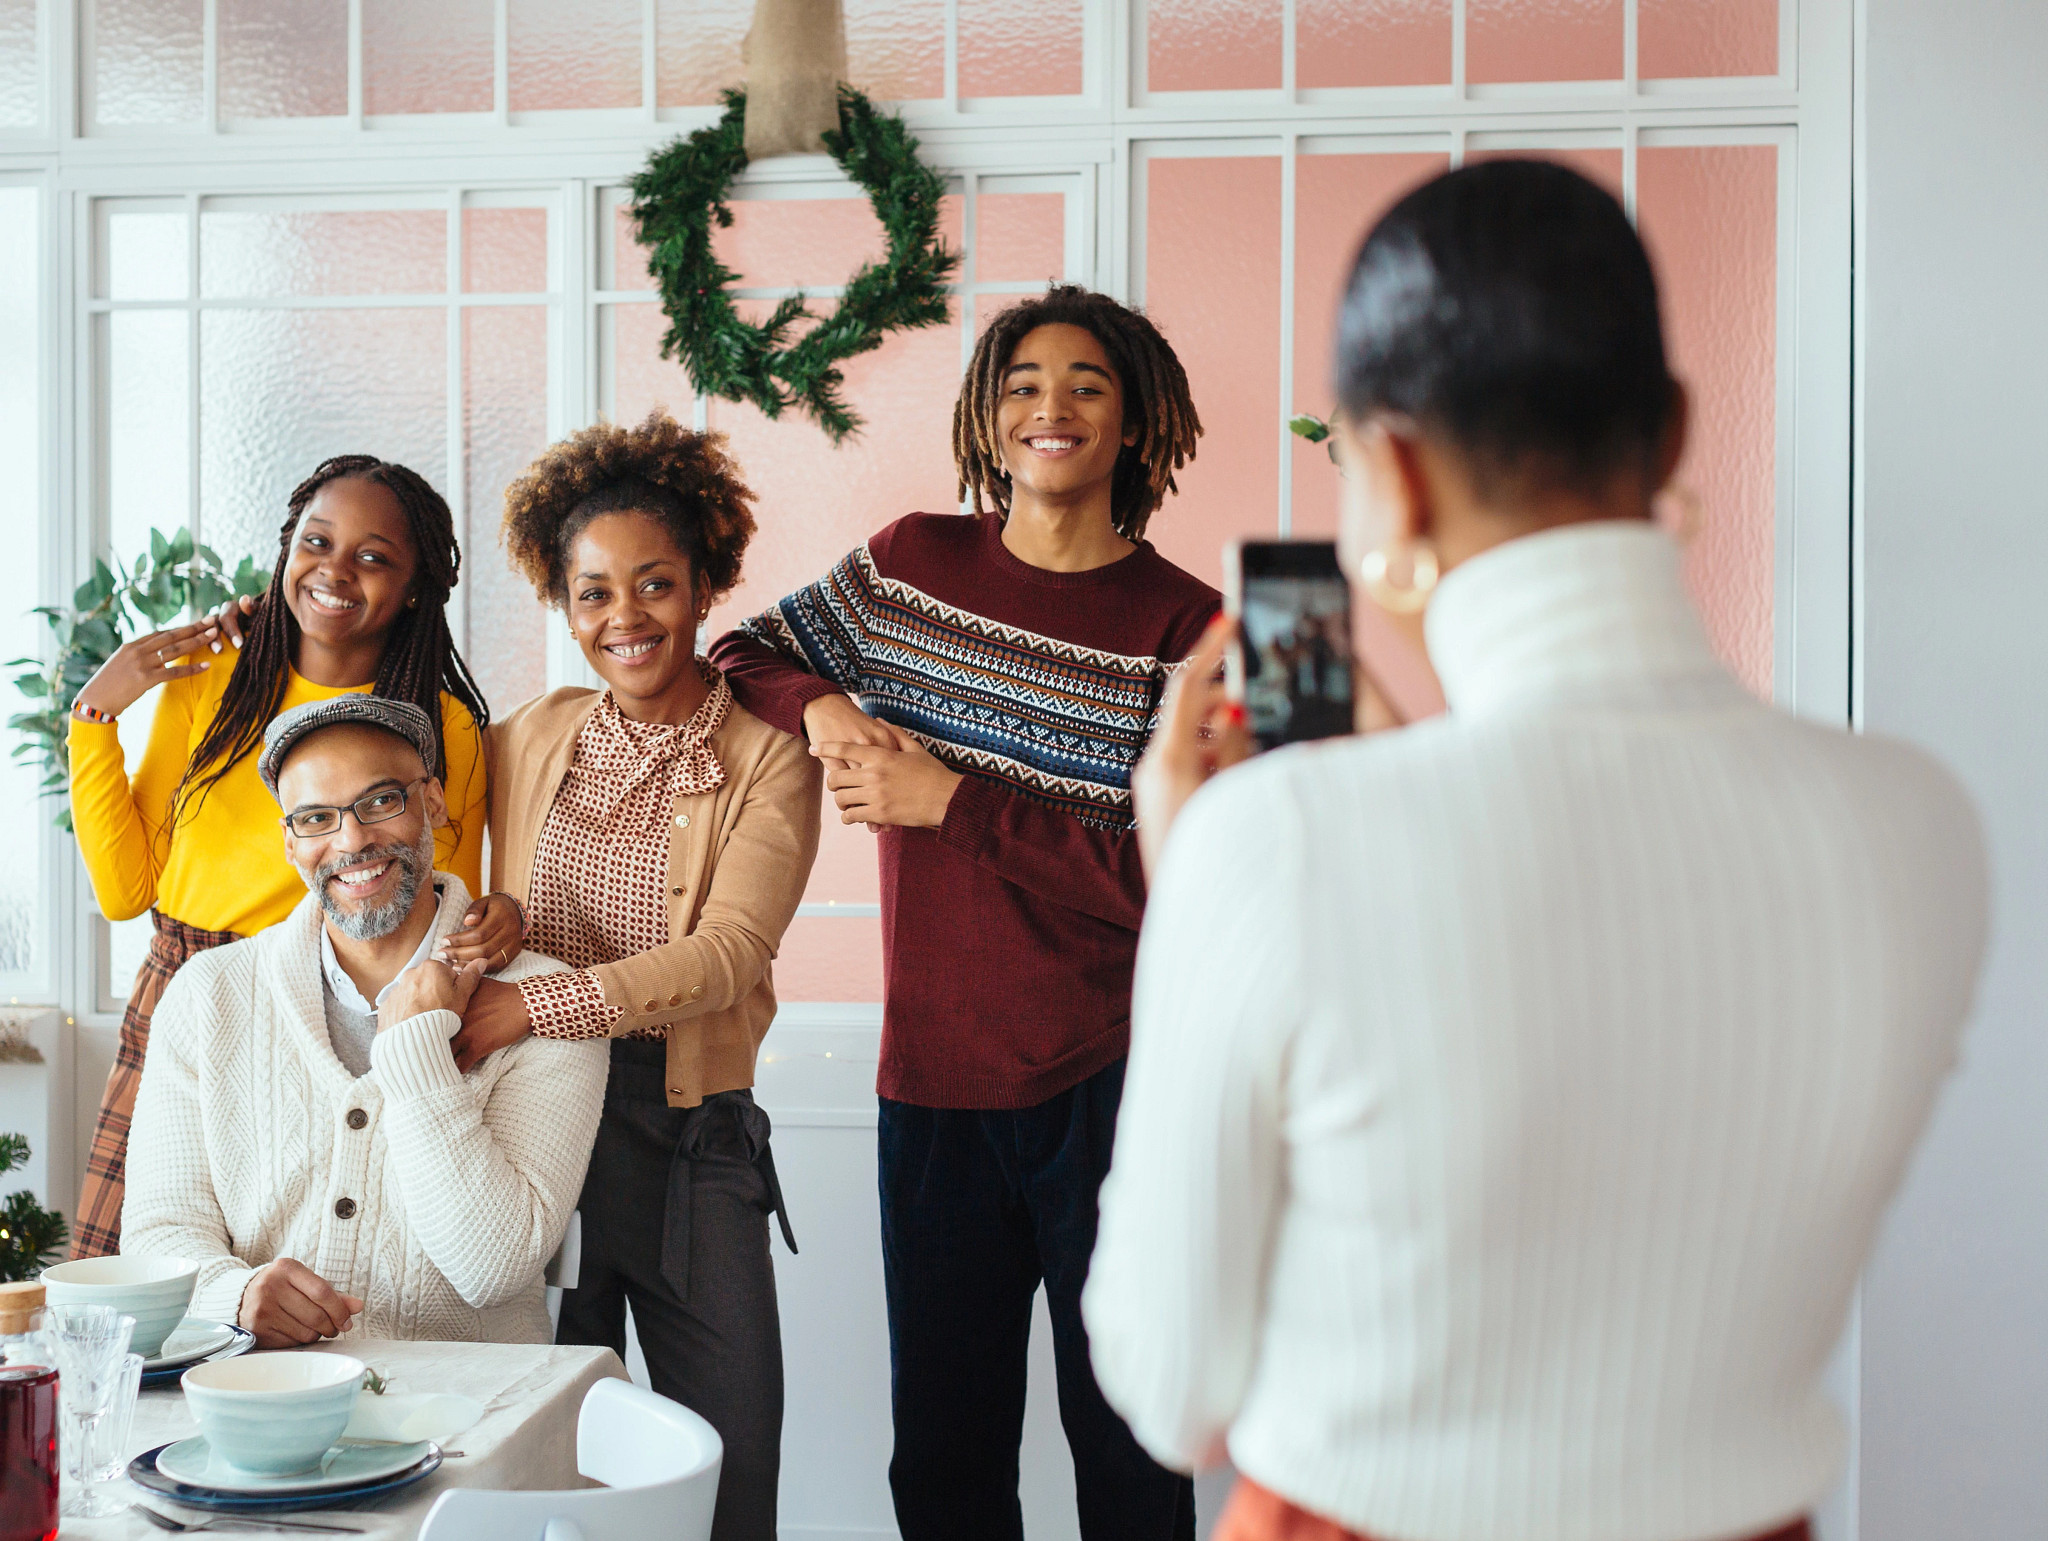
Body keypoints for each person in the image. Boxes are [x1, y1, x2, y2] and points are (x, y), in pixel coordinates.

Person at [1082, 160, 1991, 1541]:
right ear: (1674, 433)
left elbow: (1171, 1392)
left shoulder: (1276, 848)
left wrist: (1204, 891)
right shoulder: (1921, 825)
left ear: (1387, 469)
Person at [708, 286, 1216, 1541]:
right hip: (929, 1082)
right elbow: (740, 653)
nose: (1052, 406)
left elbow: (1177, 880)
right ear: (988, 421)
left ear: (1137, 427)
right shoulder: (910, 570)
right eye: (1024, 382)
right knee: (942, 1461)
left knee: (1131, 1452)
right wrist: (828, 709)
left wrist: (952, 801)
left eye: (1088, 384)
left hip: (1112, 1088)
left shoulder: (1185, 627)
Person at [444, 413, 820, 1541]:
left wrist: (525, 999)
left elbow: (725, 957)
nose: (624, 617)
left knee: (731, 1454)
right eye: (593, 591)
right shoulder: (528, 735)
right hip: (529, 1120)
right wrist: (496, 918)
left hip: (687, 1136)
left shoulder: (766, 756)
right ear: (560, 603)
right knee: (533, 1452)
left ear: (704, 581)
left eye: (653, 583)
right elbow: (415, 841)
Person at [66, 456, 523, 1260]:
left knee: (330, 1266)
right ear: (286, 552)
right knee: (146, 1285)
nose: (337, 571)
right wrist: (94, 712)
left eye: (375, 555)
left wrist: (503, 914)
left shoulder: (443, 729)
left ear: (416, 585)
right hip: (188, 991)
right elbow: (123, 892)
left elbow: (448, 904)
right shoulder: (208, 681)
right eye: (318, 540)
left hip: (344, 1011)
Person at [123, 697, 605, 1346]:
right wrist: (231, 1295)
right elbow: (158, 1232)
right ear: (291, 842)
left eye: (381, 801)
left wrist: (414, 1049)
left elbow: (492, 1267)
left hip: (470, 1417)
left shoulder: (545, 1004)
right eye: (317, 818)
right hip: (263, 1403)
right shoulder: (207, 996)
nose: (351, 841)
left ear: (433, 803)